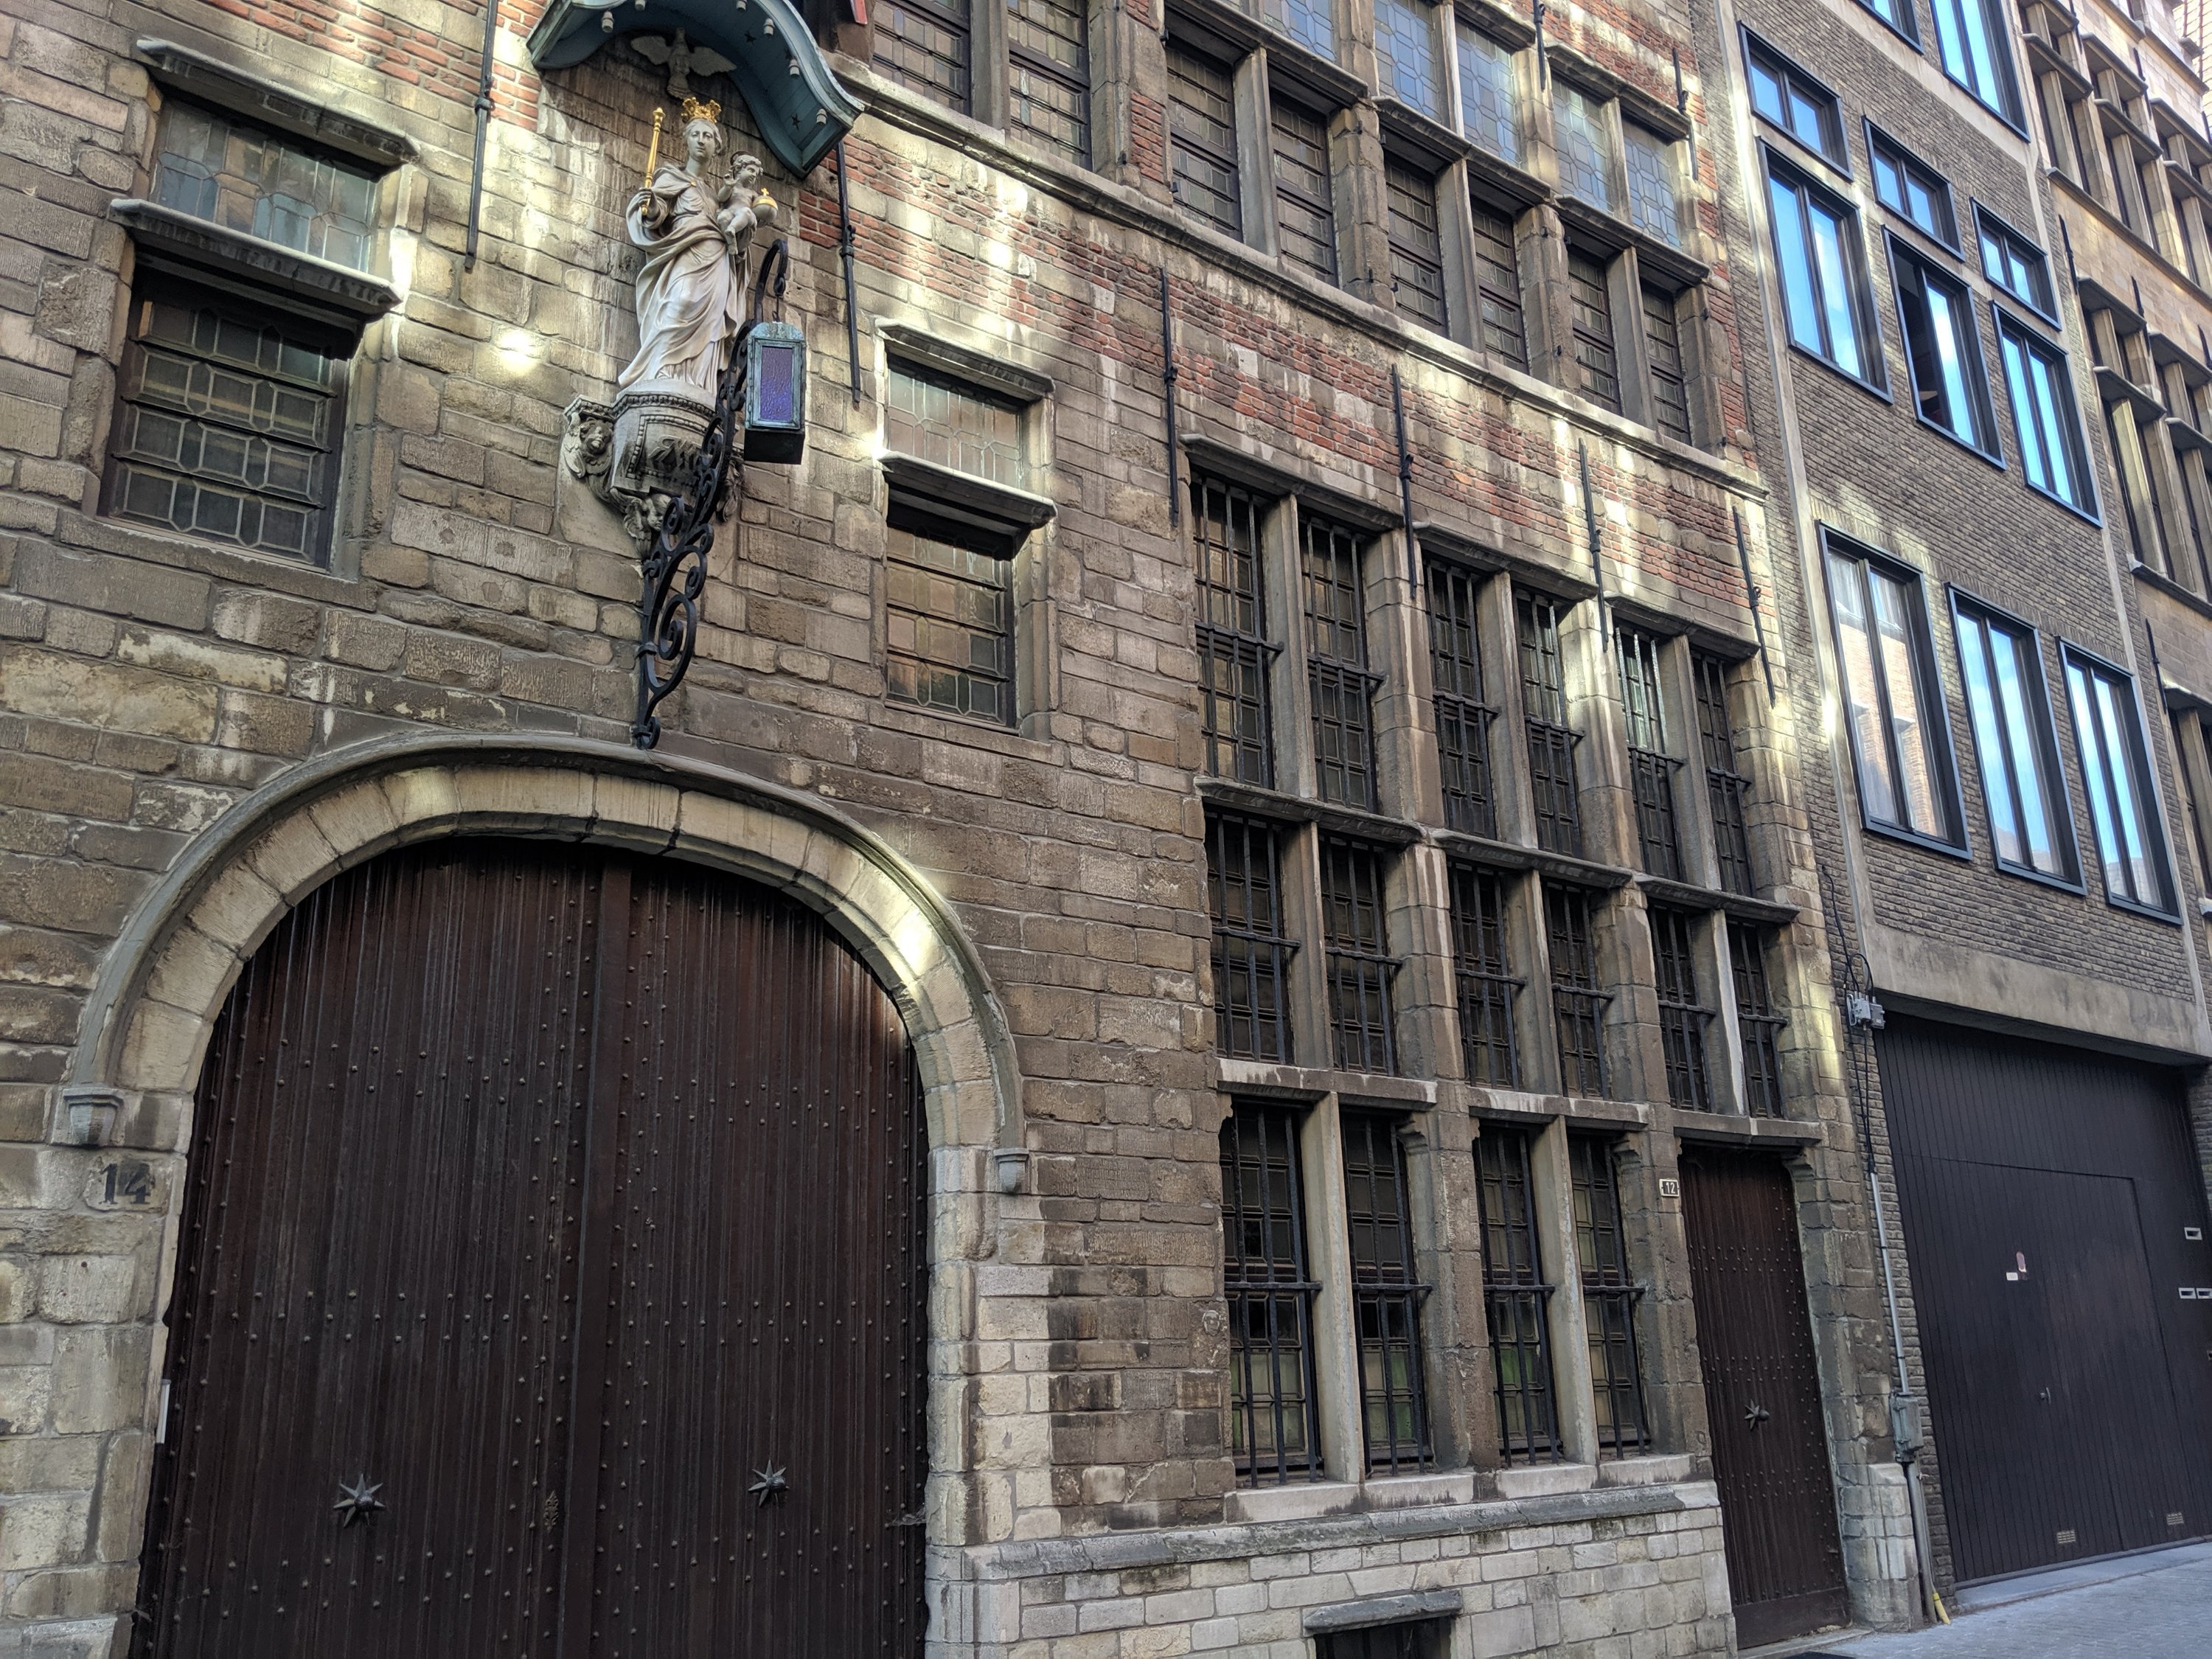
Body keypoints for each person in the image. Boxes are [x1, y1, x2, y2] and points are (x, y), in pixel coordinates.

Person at [619, 97, 776, 394]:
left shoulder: (718, 196)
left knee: (711, 322)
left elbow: (734, 235)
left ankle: (698, 383)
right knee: (681, 303)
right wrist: (651, 208)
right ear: (687, 141)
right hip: (685, 255)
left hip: (717, 261)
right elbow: (657, 215)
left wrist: (743, 235)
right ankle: (660, 373)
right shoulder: (672, 177)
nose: (702, 141)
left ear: (717, 147)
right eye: (696, 135)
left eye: (708, 136)